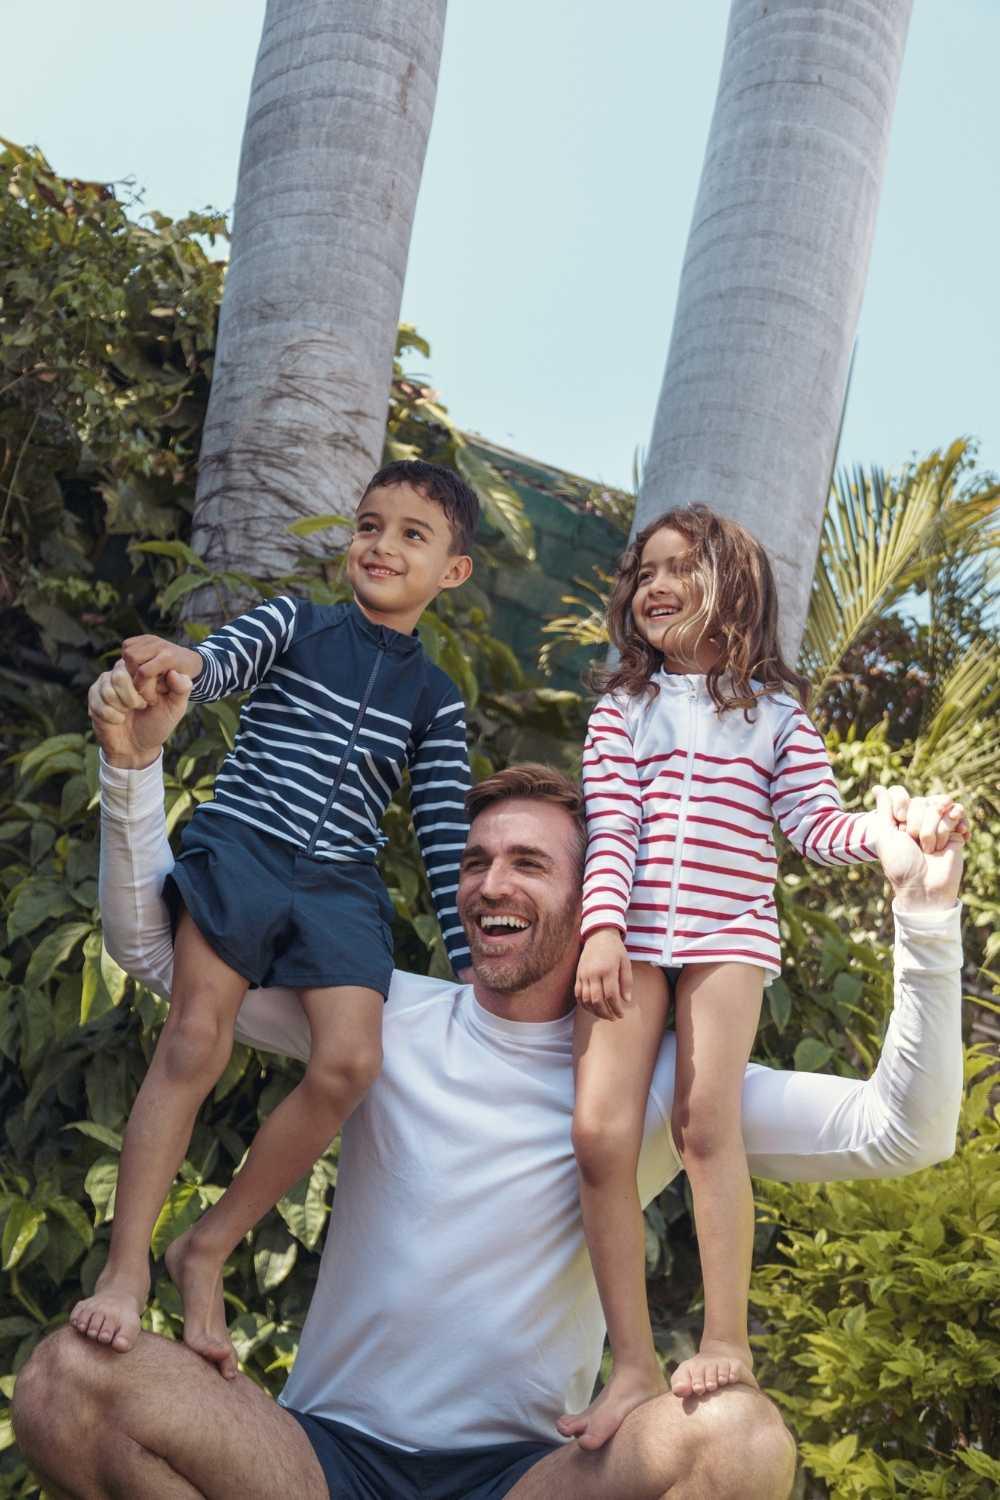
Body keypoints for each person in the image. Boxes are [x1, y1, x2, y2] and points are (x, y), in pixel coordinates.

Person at [12, 662, 964, 1500]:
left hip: (526, 1476)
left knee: (740, 1441)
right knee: (65, 1382)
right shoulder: (387, 1015)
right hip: (313, 1461)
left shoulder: (666, 1087)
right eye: (474, 862)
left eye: (527, 864)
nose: (489, 885)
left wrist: (926, 924)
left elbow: (900, 1133)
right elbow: (157, 957)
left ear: (603, 897)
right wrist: (132, 771)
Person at [568, 504, 968, 1448]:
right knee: (597, 1132)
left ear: (735, 591)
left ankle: (724, 1339)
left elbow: (817, 825)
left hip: (728, 934)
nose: (655, 587)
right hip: (630, 932)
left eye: (680, 570)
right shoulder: (621, 711)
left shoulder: (777, 714)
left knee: (707, 1125)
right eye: (645, 573)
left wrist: (887, 837)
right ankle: (629, 1364)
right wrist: (599, 931)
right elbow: (612, 829)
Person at [69, 459, 478, 1378]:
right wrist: (184, 665)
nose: (381, 544)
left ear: (452, 571)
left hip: (339, 885)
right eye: (370, 524)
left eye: (413, 534)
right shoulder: (298, 621)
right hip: (244, 848)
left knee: (350, 1063)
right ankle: (127, 1265)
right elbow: (223, 662)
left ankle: (206, 1246)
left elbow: (449, 838)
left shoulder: (438, 700)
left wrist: (477, 973)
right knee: (194, 1039)